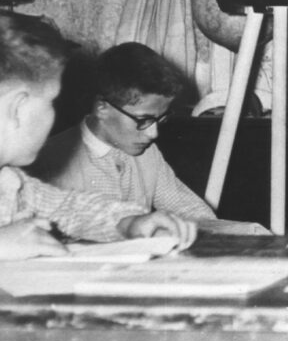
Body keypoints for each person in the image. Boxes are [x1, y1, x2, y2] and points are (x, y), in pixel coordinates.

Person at [0, 12, 196, 341]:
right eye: (52, 102)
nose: (56, 116)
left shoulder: (9, 182)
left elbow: (69, 207)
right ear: (18, 108)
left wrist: (129, 222)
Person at [30, 41, 214, 219]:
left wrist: (216, 230)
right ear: (102, 108)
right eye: (143, 120)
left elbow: (187, 207)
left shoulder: (147, 154)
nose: (153, 134)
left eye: (160, 120)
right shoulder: (51, 162)